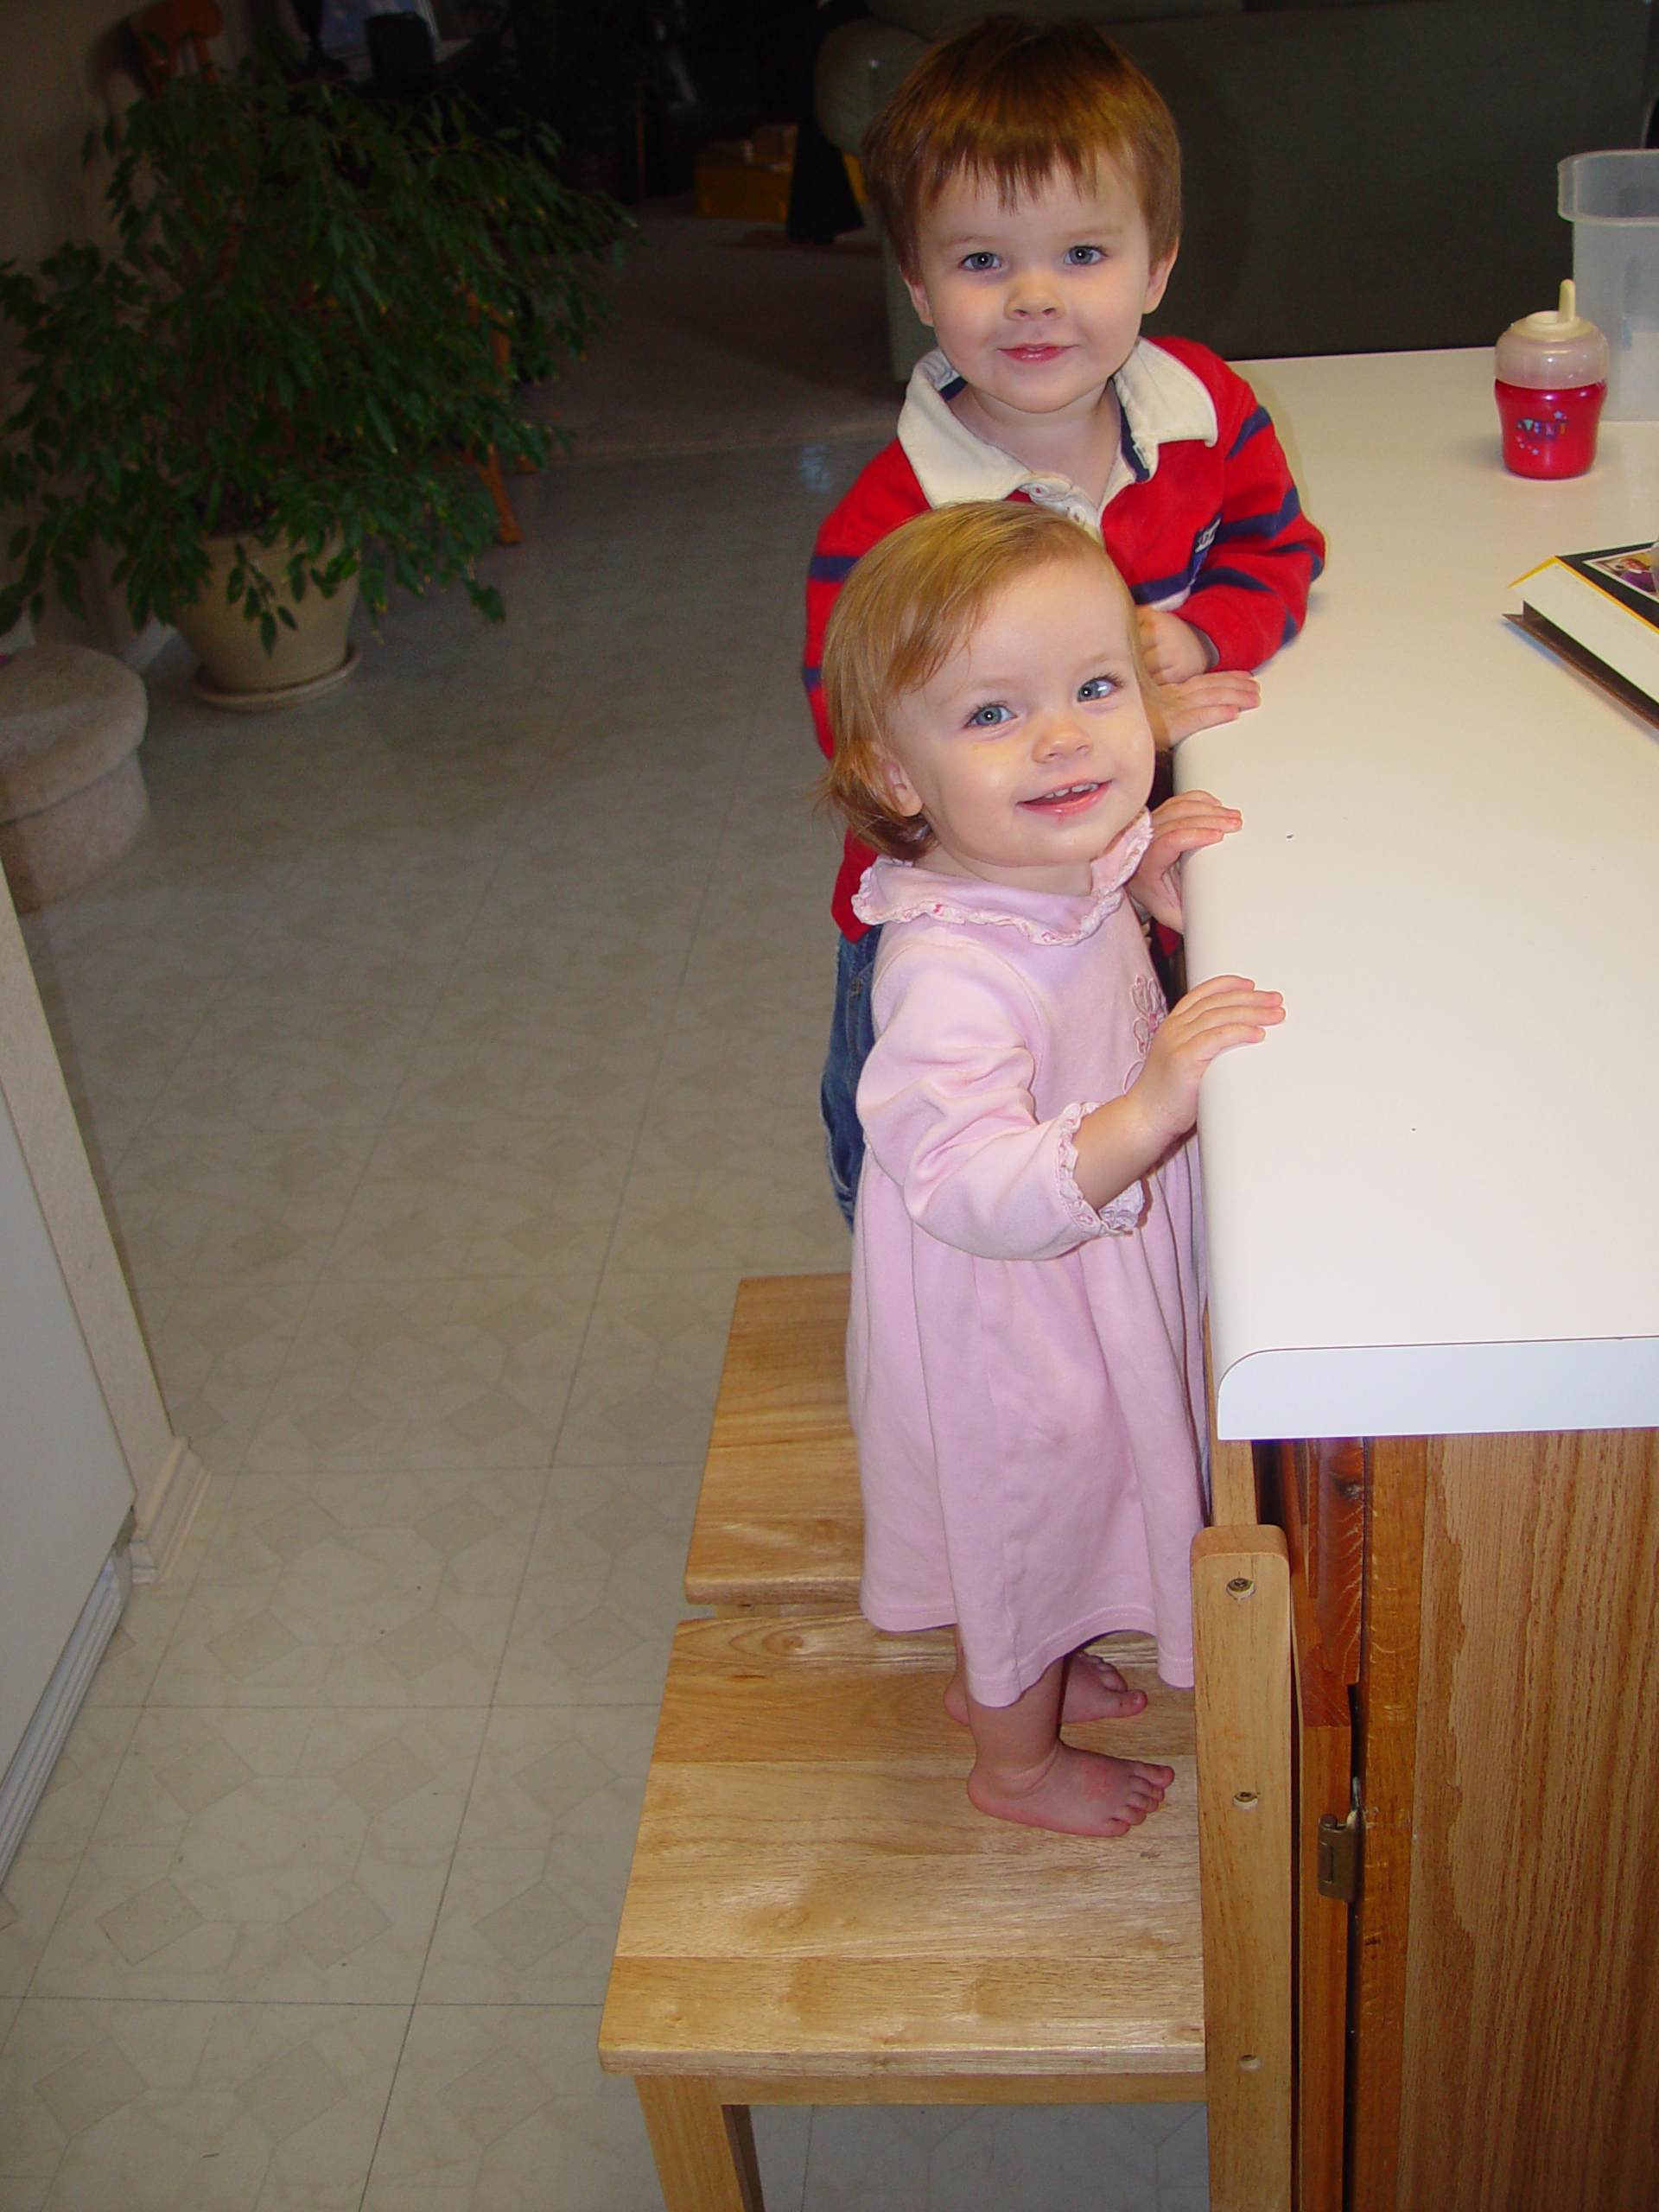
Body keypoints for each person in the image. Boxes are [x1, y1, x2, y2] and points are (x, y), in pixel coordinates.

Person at [805, 15, 1323, 1224]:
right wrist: (1124, 716)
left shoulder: (1204, 407)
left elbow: (1277, 548)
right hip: (968, 911)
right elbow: (870, 756)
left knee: (1116, 1121)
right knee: (940, 1165)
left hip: (1113, 880)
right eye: (984, 263)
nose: (1036, 299)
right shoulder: (892, 525)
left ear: (1156, 265)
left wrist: (1188, 643)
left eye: (1083, 253)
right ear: (919, 284)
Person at [821, 500, 1283, 1836]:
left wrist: (1140, 876)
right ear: (897, 779)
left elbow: (1072, 926)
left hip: (1071, 1288)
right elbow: (966, 1180)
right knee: (1029, 1525)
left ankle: (1041, 1652)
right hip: (1010, 1327)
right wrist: (1148, 1108)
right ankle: (1013, 1760)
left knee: (1071, 1514)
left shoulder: (1041, 861)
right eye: (991, 715)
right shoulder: (941, 976)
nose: (1065, 735)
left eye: (1096, 687)